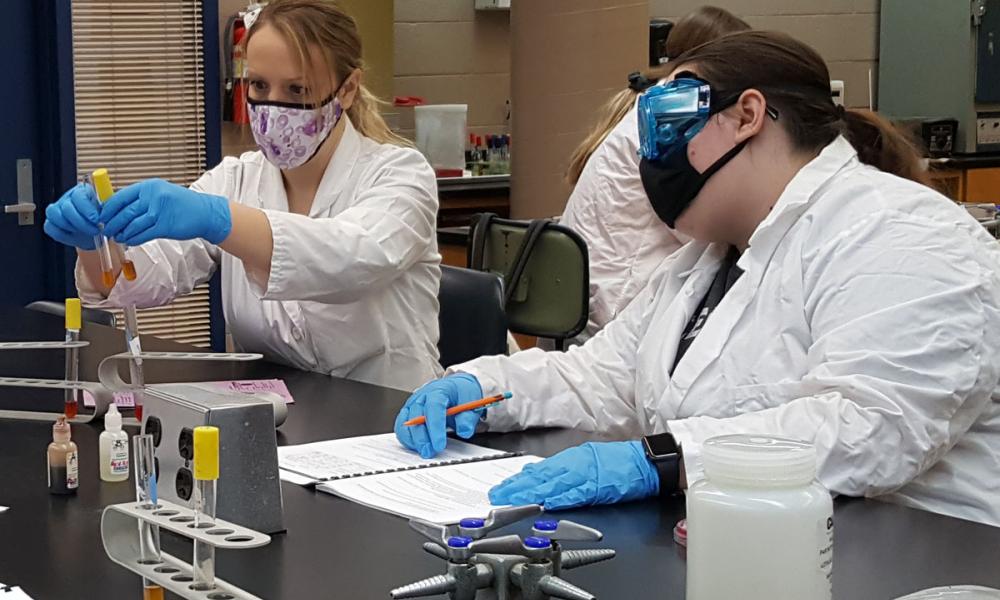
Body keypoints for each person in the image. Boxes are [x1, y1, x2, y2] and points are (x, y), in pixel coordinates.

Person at [395, 31, 1000, 527]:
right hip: (764, 547)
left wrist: (662, 458)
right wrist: (477, 388)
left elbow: (873, 427)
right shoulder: (708, 260)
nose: (650, 157)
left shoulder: (901, 232)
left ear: (748, 116)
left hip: (920, 556)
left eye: (671, 124)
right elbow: (600, 377)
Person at [44, 0, 443, 391]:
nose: (274, 106)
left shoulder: (400, 175)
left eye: (297, 89)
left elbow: (353, 257)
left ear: (348, 88)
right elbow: (143, 279)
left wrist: (222, 220)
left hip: (395, 420)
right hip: (285, 421)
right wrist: (95, 242)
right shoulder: (236, 180)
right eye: (259, 85)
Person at [558, 7, 750, 345]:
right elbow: (701, 228)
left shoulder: (651, 106)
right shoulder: (672, 120)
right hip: (612, 316)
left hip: (584, 308)